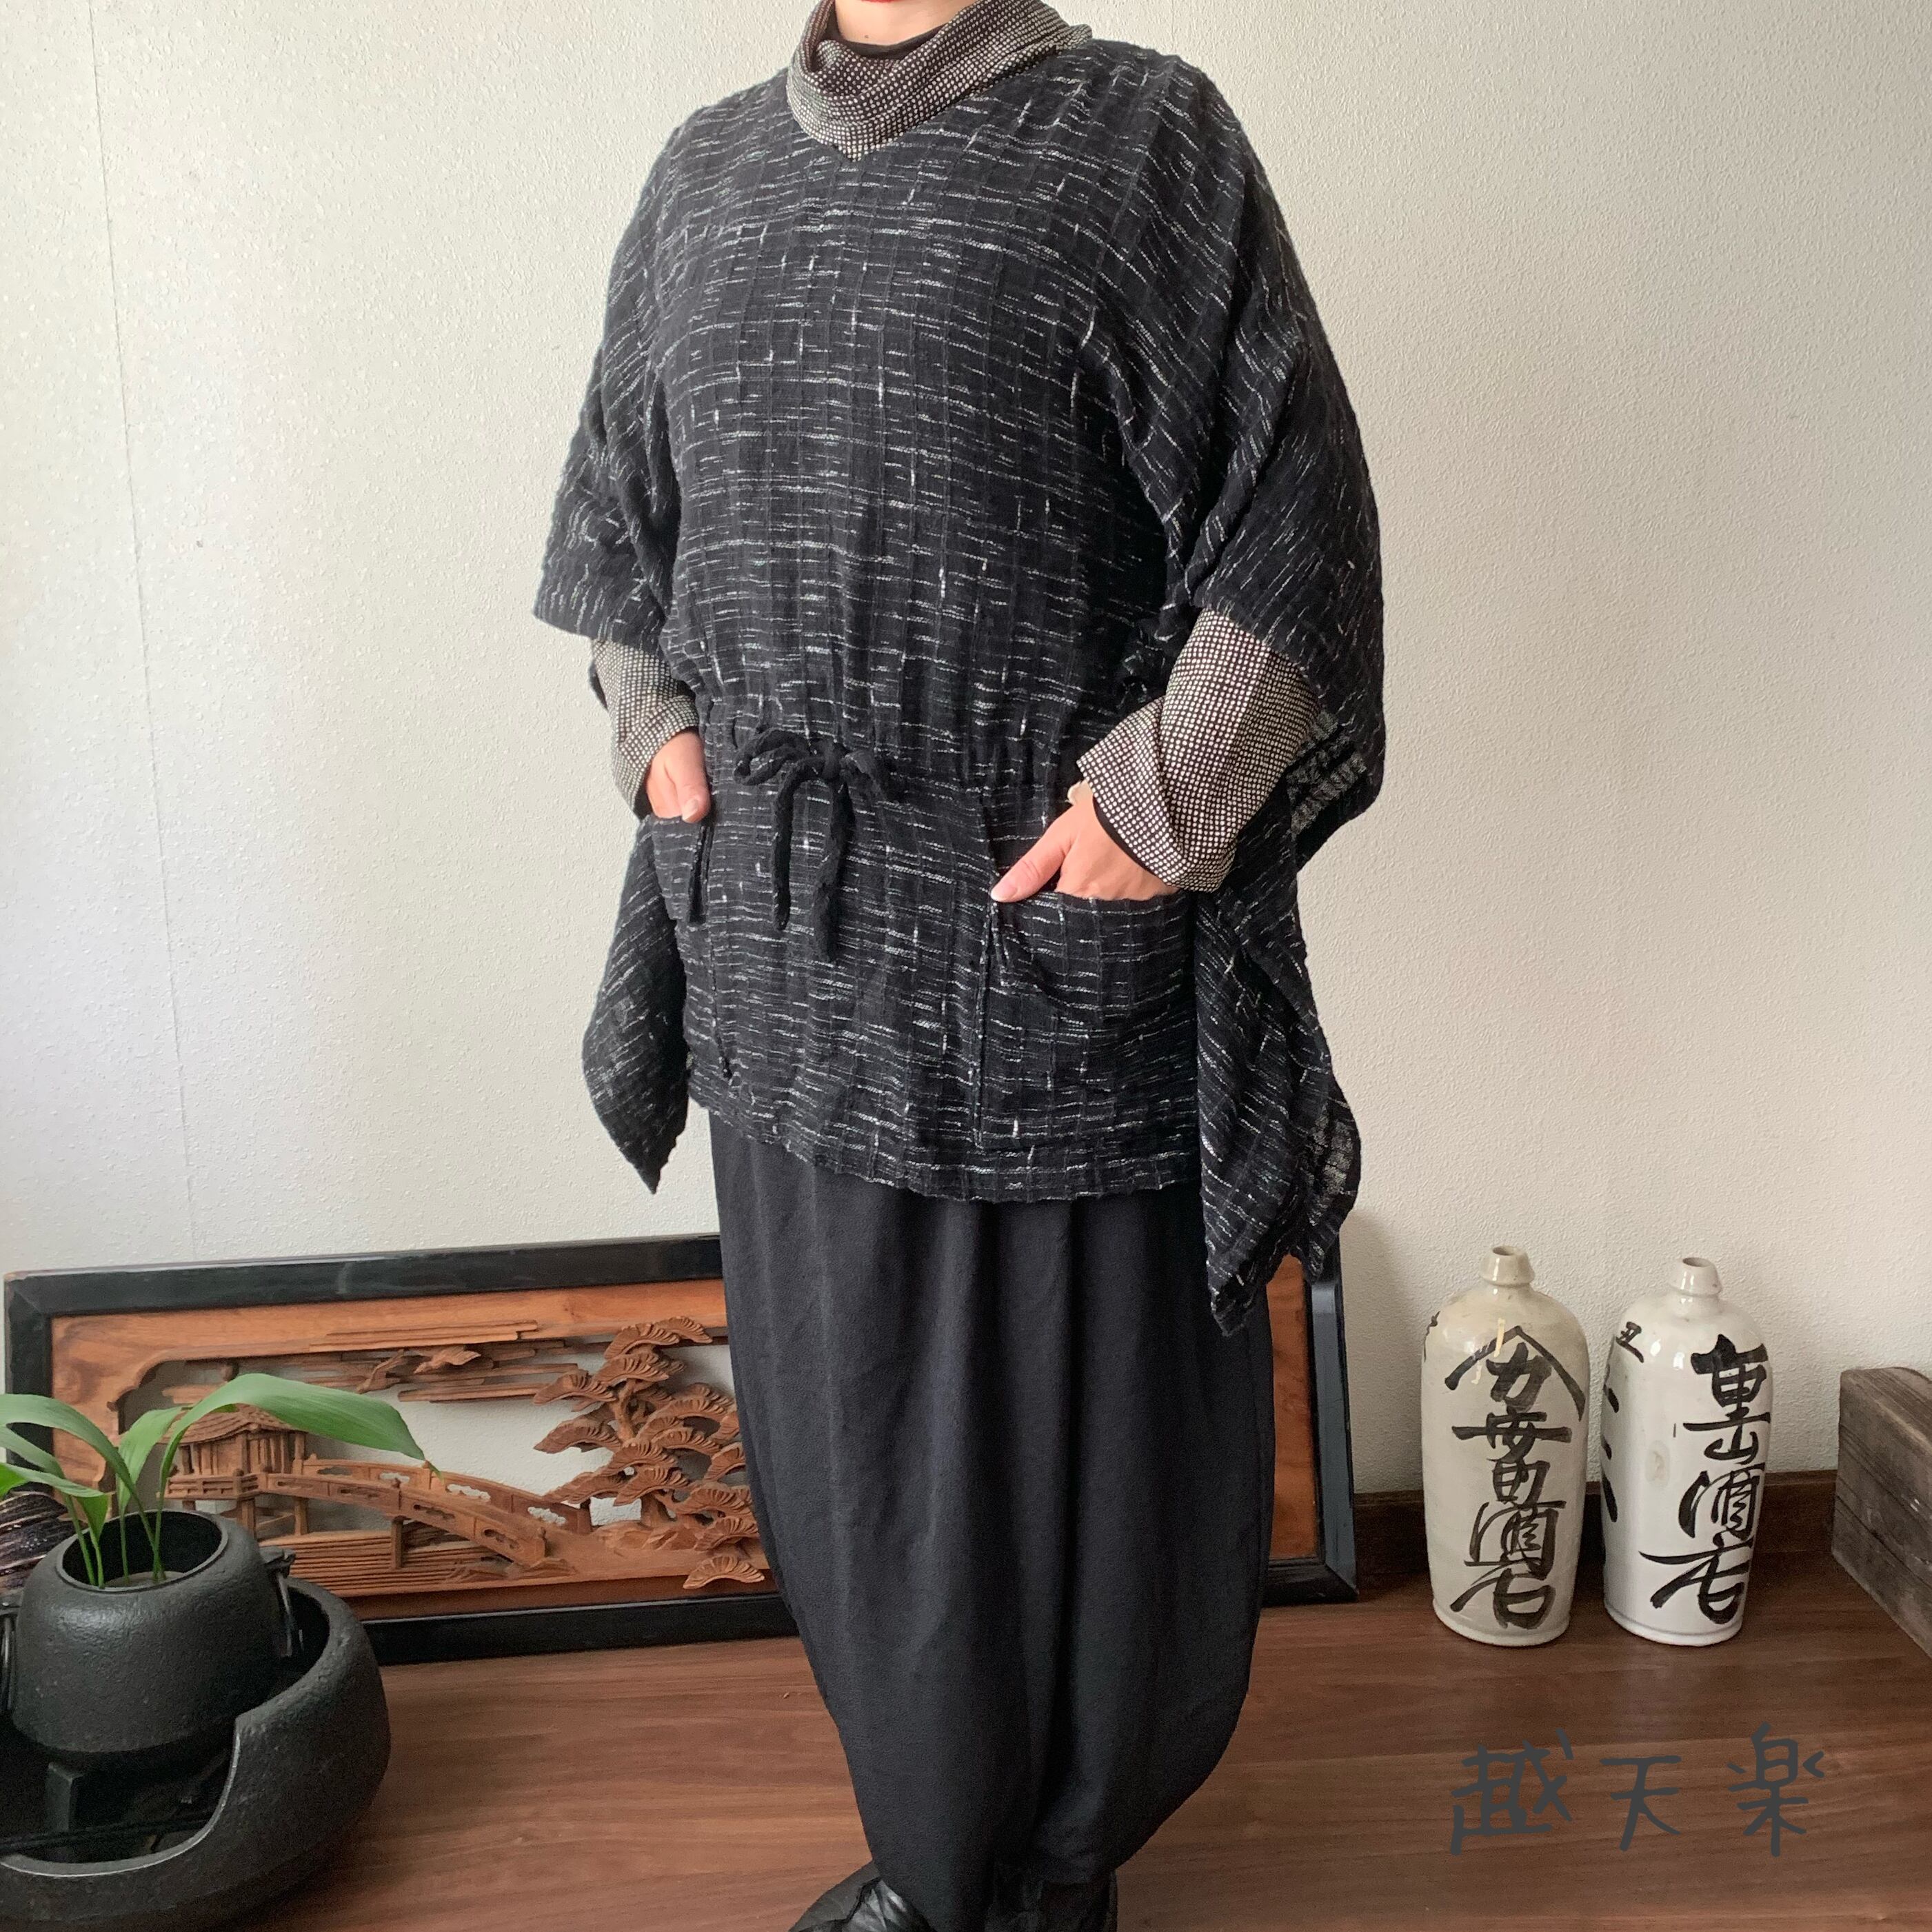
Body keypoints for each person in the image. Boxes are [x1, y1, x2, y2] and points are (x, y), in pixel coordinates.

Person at [535, 1, 1384, 1926]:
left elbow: (1296, 523)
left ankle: (1043, 1877)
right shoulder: (703, 176)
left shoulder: (1144, 138)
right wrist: (659, 738)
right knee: (854, 1463)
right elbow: (620, 533)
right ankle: (936, 1867)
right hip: (784, 954)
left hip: (1044, 961)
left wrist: (1157, 804)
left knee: (1078, 1472)